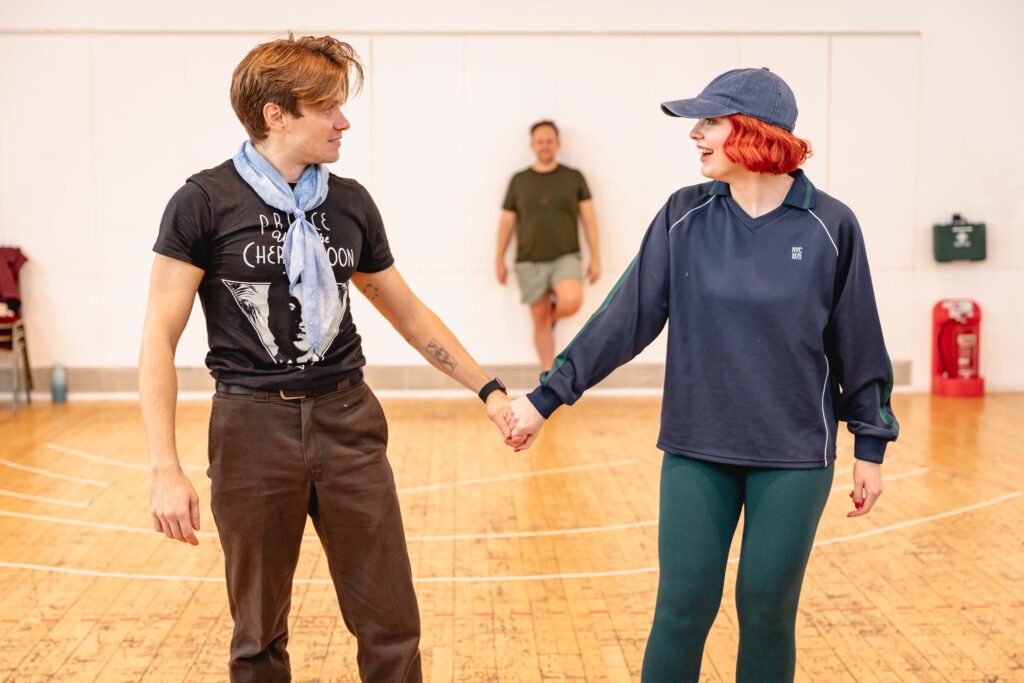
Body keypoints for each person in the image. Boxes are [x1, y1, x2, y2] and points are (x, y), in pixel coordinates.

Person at [140, 35, 519, 683]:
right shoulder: (203, 202)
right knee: (257, 634)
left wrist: (489, 390)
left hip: (348, 421)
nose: (343, 121)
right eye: (328, 108)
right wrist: (164, 469)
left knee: (391, 623)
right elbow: (158, 337)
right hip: (250, 430)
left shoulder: (349, 204)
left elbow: (407, 312)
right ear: (276, 114)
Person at [505, 68, 899, 682]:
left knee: (766, 609)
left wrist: (870, 446)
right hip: (697, 449)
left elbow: (859, 341)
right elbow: (624, 319)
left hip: (794, 456)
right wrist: (545, 398)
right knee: (683, 607)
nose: (695, 134)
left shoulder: (830, 225)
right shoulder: (683, 216)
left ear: (753, 131)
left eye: (710, 121)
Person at [495, 120, 601, 369]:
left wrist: (596, 257)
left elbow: (589, 219)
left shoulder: (573, 177)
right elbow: (506, 222)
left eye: (549, 141)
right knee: (539, 319)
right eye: (540, 141)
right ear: (533, 145)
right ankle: (547, 376)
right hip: (529, 259)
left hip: (566, 255)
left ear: (557, 144)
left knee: (572, 300)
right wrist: (498, 258)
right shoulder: (519, 180)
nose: (545, 145)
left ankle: (550, 316)